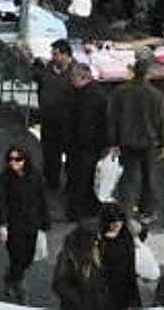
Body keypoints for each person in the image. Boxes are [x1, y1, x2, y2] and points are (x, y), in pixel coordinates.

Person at [109, 56, 164, 221]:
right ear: (148, 73)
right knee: (149, 178)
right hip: (149, 142)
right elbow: (161, 121)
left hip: (126, 142)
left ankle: (125, 212)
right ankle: (147, 211)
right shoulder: (156, 95)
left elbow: (113, 118)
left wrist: (113, 142)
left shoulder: (120, 92)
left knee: (128, 179)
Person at [0, 145, 50, 303]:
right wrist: (2, 224)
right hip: (14, 225)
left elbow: (42, 199)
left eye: (18, 159)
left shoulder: (35, 177)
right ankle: (21, 294)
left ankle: (10, 276)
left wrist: (44, 222)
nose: (14, 162)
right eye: (10, 159)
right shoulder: (4, 179)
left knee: (27, 257)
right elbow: (1, 203)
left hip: (32, 223)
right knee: (17, 257)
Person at [67, 63, 111, 220]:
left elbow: (93, 124)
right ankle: (85, 209)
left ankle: (79, 211)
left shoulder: (92, 96)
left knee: (82, 179)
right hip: (83, 144)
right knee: (82, 178)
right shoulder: (92, 93)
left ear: (83, 78)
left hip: (87, 145)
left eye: (73, 77)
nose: (71, 80)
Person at [36, 38, 75, 192]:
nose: (53, 57)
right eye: (52, 54)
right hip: (48, 120)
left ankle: (70, 185)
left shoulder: (75, 71)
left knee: (70, 156)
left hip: (67, 123)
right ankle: (51, 182)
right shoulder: (48, 69)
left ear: (66, 55)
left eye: (56, 54)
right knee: (50, 154)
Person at [53, 224, 110, 309]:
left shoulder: (99, 252)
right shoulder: (69, 256)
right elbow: (60, 285)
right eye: (94, 240)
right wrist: (80, 302)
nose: (96, 243)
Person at [97, 203, 141, 310]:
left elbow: (131, 263)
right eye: (113, 221)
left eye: (120, 221)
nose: (117, 224)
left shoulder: (125, 235)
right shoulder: (99, 240)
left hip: (124, 282)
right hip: (106, 284)